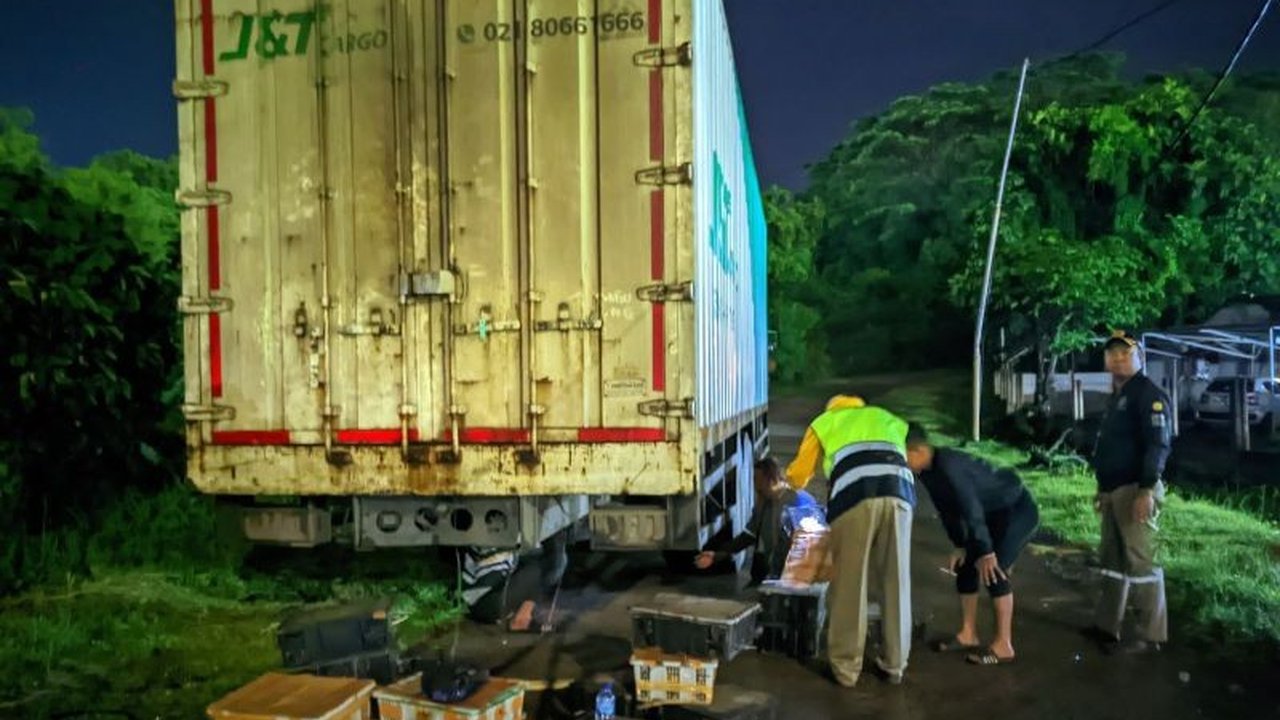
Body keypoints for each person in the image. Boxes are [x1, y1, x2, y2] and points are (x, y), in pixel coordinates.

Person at [785, 395, 915, 687]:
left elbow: (799, 475)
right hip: (900, 494)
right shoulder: (886, 417)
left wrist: (788, 481)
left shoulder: (825, 422)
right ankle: (895, 665)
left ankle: (846, 669)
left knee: (850, 582)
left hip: (856, 497)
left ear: (831, 408)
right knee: (896, 580)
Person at [905, 423, 1039, 666]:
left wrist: (986, 551)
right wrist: (960, 544)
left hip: (1015, 510)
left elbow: (970, 507)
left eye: (904, 456)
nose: (903, 463)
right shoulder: (927, 472)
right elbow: (947, 510)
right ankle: (968, 634)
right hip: (991, 513)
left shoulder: (950, 466)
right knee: (966, 566)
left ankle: (1004, 645)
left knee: (994, 570)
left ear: (919, 450)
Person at [1081, 331, 1171, 655]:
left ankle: (1150, 636)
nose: (1118, 358)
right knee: (1113, 562)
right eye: (1113, 354)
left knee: (1141, 562)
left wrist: (1146, 490)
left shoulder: (1148, 395)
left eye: (1125, 353)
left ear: (1140, 358)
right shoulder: (1118, 395)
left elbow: (1158, 445)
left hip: (1135, 489)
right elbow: (1111, 447)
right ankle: (1107, 627)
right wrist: (1102, 488)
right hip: (1114, 491)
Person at [694, 457, 821, 584]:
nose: (755, 487)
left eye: (758, 483)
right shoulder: (764, 503)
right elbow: (748, 536)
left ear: (771, 480)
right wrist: (716, 555)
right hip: (774, 575)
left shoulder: (799, 502)